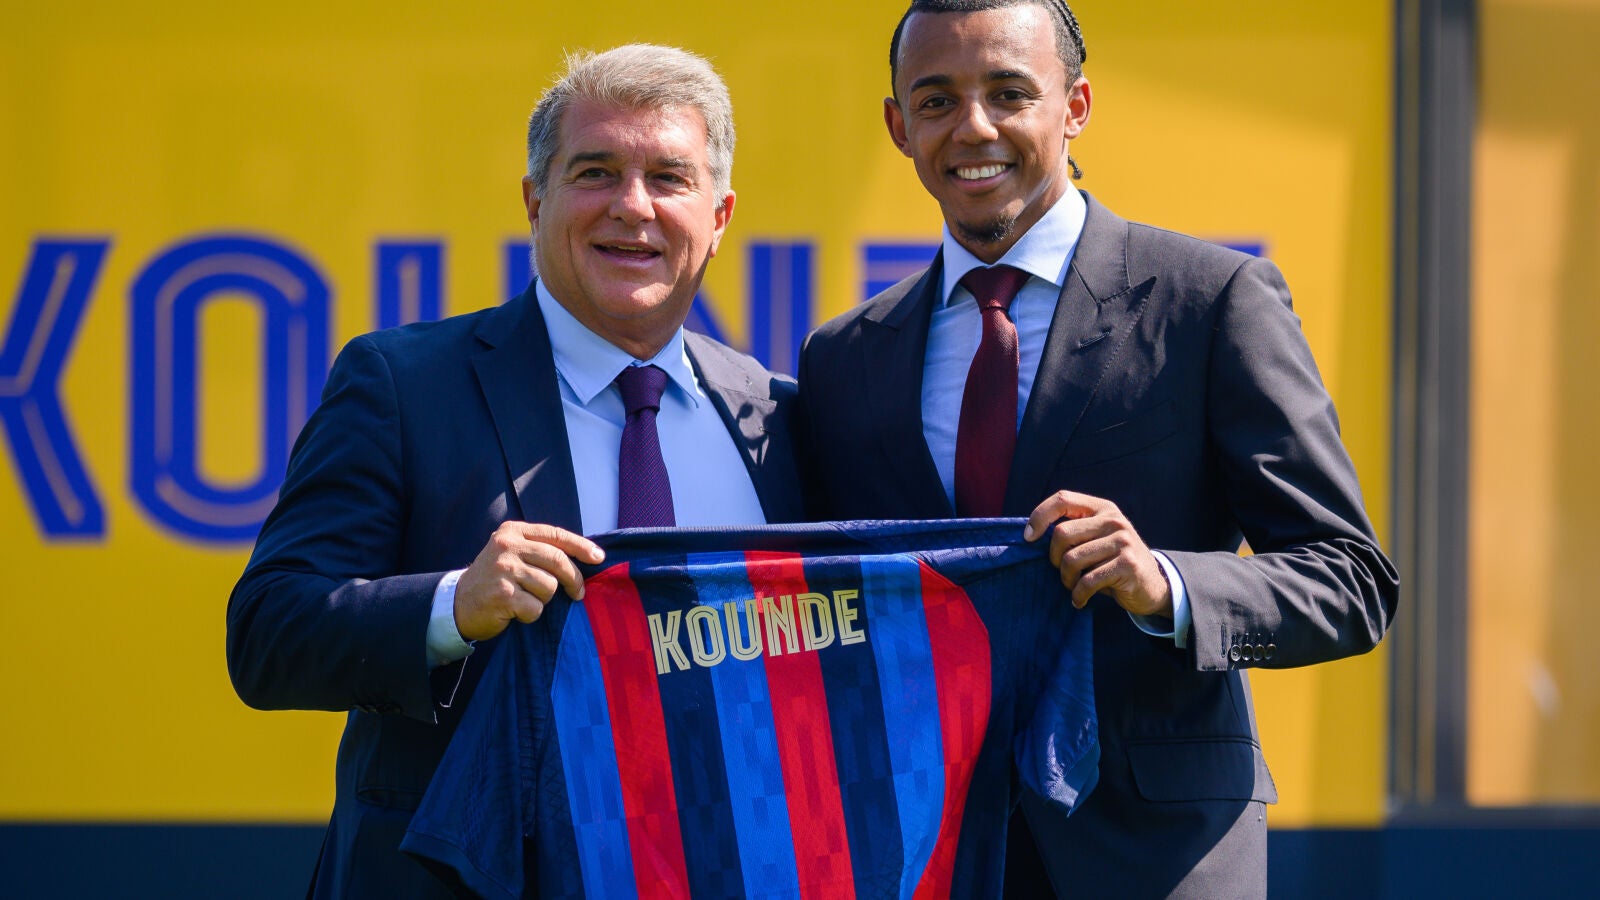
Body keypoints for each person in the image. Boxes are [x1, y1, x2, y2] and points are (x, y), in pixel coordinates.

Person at [796, 1, 1400, 896]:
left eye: (1010, 93)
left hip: (1156, 859)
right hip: (923, 855)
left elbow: (1349, 581)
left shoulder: (1211, 300)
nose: (974, 128)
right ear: (898, 126)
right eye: (936, 100)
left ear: (1075, 106)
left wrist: (1166, 584)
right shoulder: (843, 358)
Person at [227, 44, 802, 898]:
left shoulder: (779, 416)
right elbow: (267, 635)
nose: (632, 206)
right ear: (535, 201)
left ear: (718, 218)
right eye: (595, 172)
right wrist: (452, 606)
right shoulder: (402, 386)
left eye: (668, 178)